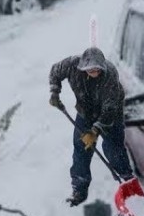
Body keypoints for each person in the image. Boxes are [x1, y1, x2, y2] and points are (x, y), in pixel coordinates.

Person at [48, 47, 134, 205]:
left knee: (113, 148)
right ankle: (79, 188)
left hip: (111, 113)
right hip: (85, 112)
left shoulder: (110, 75)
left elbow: (109, 109)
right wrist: (55, 92)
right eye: (89, 69)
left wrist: (95, 132)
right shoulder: (71, 65)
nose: (93, 71)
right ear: (82, 66)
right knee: (81, 148)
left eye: (96, 69)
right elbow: (55, 71)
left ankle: (127, 179)